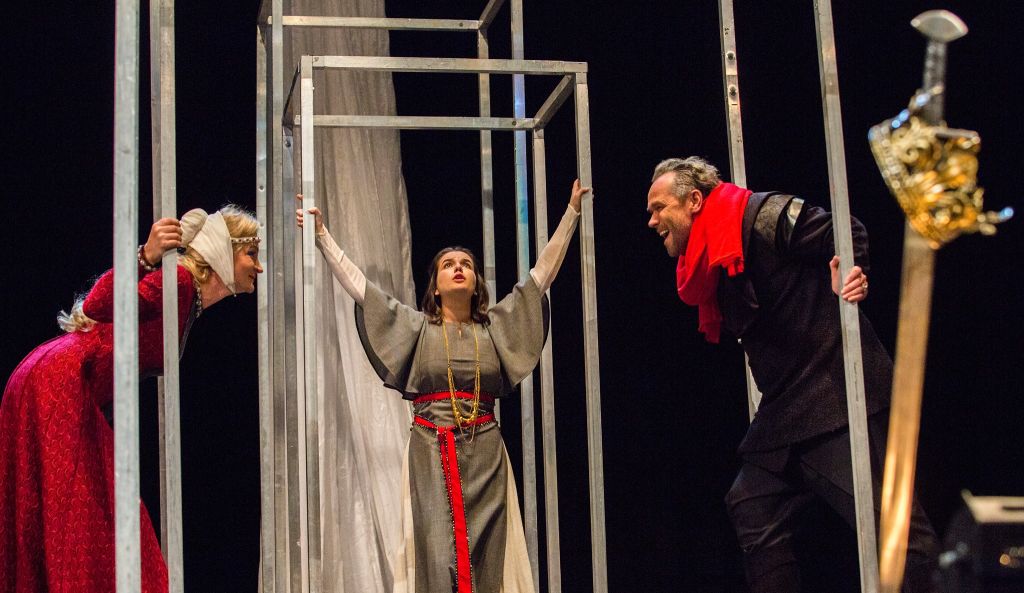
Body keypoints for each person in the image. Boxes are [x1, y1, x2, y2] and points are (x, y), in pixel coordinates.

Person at [645, 157, 939, 592]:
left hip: (831, 395)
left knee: (896, 531)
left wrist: (851, 272)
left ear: (693, 200)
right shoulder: (707, 259)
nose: (652, 221)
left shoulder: (761, 215)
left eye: (659, 207)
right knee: (752, 506)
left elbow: (847, 231)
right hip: (786, 409)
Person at [297, 180, 590, 593]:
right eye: (449, 264)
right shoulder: (418, 330)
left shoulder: (493, 330)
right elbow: (364, 292)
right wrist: (323, 237)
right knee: (436, 555)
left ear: (476, 283)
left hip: (485, 452)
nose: (458, 268)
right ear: (435, 286)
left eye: (466, 264)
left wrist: (571, 213)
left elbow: (539, 279)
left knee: (489, 555)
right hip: (431, 448)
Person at [0, 205, 262, 593]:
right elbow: (97, 304)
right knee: (93, 519)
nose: (258, 266)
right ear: (225, 251)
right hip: (61, 383)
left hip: (59, 382)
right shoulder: (180, 282)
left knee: (85, 518)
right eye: (251, 253)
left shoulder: (188, 297)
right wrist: (145, 257)